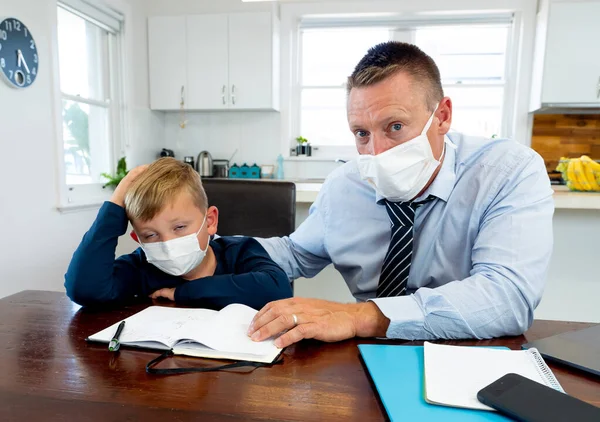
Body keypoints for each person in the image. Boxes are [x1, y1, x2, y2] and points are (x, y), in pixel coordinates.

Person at [248, 41, 554, 348]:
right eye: (362, 134)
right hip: (366, 361)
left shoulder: (507, 171)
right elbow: (294, 254)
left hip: (466, 356)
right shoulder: (344, 185)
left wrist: (362, 317)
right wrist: (208, 247)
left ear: (442, 117)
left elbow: (507, 297)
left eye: (395, 126)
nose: (376, 153)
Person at [64, 157, 292, 309]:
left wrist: (183, 293)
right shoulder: (142, 267)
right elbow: (84, 289)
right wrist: (115, 203)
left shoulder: (240, 252)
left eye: (180, 227)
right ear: (138, 239)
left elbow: (277, 289)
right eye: (150, 235)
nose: (168, 243)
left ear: (210, 221)